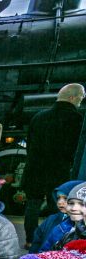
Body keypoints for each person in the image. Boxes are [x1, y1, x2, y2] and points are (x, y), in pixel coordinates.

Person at [22, 83, 85, 246]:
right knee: (57, 207)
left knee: (32, 205)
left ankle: (30, 239)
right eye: (80, 98)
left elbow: (29, 145)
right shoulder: (77, 119)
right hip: (59, 171)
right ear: (72, 97)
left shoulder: (38, 116)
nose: (81, 102)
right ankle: (53, 240)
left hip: (35, 168)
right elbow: (76, 149)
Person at [30, 180, 83, 253]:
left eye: (66, 198)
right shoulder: (51, 219)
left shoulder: (77, 226)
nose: (60, 202)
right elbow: (37, 243)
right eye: (58, 198)